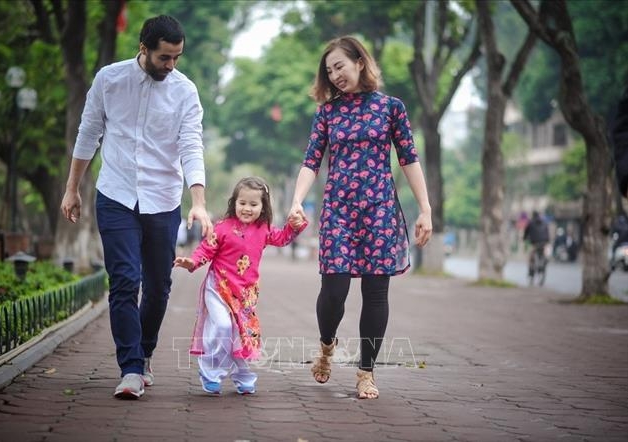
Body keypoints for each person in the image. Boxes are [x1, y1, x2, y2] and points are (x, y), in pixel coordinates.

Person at [60, 15, 213, 399]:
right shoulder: (109, 80)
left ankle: (144, 354)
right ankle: (129, 367)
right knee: (125, 281)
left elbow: (191, 146)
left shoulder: (185, 91)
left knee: (158, 287)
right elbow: (88, 133)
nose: (171, 65)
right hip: (116, 195)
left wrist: (198, 201)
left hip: (163, 199)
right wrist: (72, 189)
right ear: (143, 48)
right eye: (164, 57)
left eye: (177, 57)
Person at [288, 36, 432, 400]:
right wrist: (297, 201)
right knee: (333, 290)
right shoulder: (327, 113)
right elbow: (311, 161)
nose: (335, 75)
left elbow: (409, 158)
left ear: (360, 63)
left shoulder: (391, 108)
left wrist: (426, 209)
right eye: (329, 70)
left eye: (340, 66)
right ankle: (327, 345)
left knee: (376, 292)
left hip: (379, 210)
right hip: (338, 210)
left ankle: (366, 372)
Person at [174, 177, 307, 395]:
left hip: (245, 295)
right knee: (223, 327)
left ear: (263, 206)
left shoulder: (264, 229)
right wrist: (192, 262)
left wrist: (294, 225)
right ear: (234, 202)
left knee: (240, 336)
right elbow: (206, 249)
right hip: (218, 288)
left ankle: (243, 375)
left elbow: (283, 238)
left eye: (253, 204)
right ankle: (211, 371)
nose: (247, 208)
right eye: (242, 203)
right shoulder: (223, 227)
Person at [523, 211, 550, 278]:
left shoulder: (531, 222)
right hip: (544, 242)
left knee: (531, 255)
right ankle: (545, 259)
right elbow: (547, 232)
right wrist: (547, 240)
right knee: (544, 251)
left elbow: (526, 232)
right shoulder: (544, 222)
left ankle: (531, 270)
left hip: (535, 243)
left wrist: (524, 238)